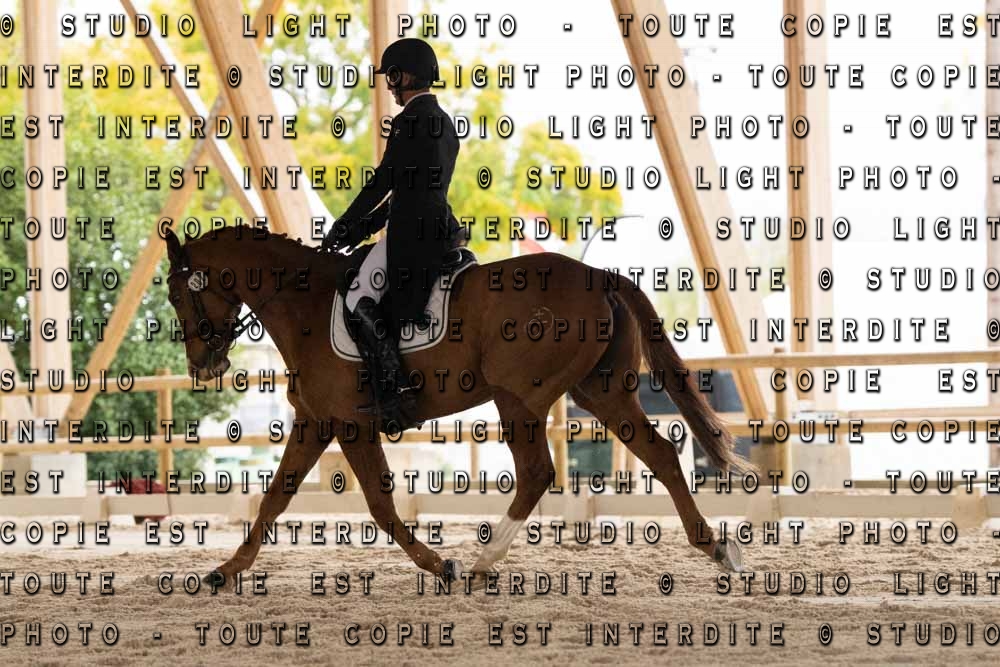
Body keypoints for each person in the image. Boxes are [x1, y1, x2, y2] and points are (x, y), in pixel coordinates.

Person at [322, 38, 463, 434]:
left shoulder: (408, 122)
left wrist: (344, 223)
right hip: (440, 228)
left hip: (410, 236)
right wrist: (363, 227)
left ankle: (396, 391)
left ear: (406, 76)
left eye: (392, 77)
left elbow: (383, 182)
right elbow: (412, 190)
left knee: (357, 297)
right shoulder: (446, 124)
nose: (389, 86)